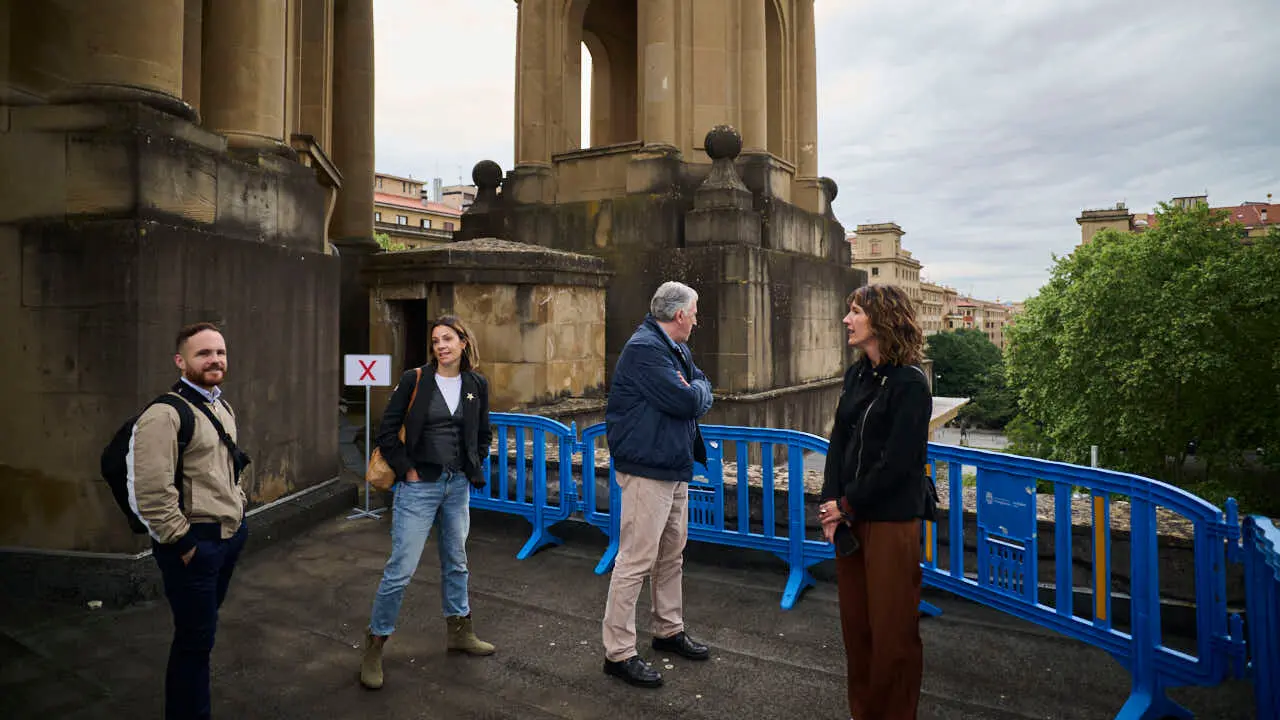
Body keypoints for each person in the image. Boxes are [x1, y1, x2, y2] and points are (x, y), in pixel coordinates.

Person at [359, 315, 495, 690]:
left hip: (457, 485)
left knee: (457, 561)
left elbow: (483, 432)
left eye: (448, 339)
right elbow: (387, 431)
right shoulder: (414, 379)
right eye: (436, 341)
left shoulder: (476, 384)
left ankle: (460, 631)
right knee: (401, 569)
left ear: (463, 342)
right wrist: (407, 470)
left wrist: (474, 462)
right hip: (418, 488)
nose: (441, 346)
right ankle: (375, 643)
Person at [819, 284, 935, 720]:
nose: (847, 320)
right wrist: (831, 503)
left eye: (855, 312)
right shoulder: (857, 374)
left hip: (889, 521)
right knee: (858, 631)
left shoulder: (910, 383)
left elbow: (899, 464)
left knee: (893, 634)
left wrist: (846, 505)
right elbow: (839, 441)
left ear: (882, 318)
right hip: (850, 517)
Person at [128, 321, 250, 720]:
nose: (215, 360)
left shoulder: (220, 405)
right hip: (194, 544)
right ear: (180, 361)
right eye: (204, 353)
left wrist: (240, 507)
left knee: (202, 634)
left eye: (220, 352)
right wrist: (183, 544)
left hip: (227, 537)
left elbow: (226, 469)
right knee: (194, 644)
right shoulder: (164, 415)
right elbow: (152, 492)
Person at [601, 281, 715, 688]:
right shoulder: (645, 349)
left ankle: (668, 629)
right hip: (648, 468)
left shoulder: (674, 348)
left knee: (670, 555)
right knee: (635, 560)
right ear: (680, 314)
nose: (697, 320)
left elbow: (699, 387)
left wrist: (695, 389)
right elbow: (688, 401)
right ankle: (618, 653)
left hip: (672, 465)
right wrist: (696, 391)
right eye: (695, 313)